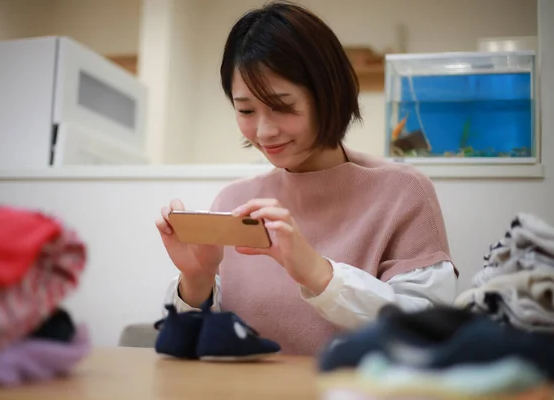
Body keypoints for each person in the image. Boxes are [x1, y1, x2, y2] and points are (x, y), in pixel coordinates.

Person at [156, 0, 457, 355]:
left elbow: (429, 334)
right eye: (246, 110)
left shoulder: (403, 193)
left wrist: (317, 272)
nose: (264, 131)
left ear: (328, 93)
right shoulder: (232, 202)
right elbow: (192, 350)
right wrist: (197, 279)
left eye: (282, 106)